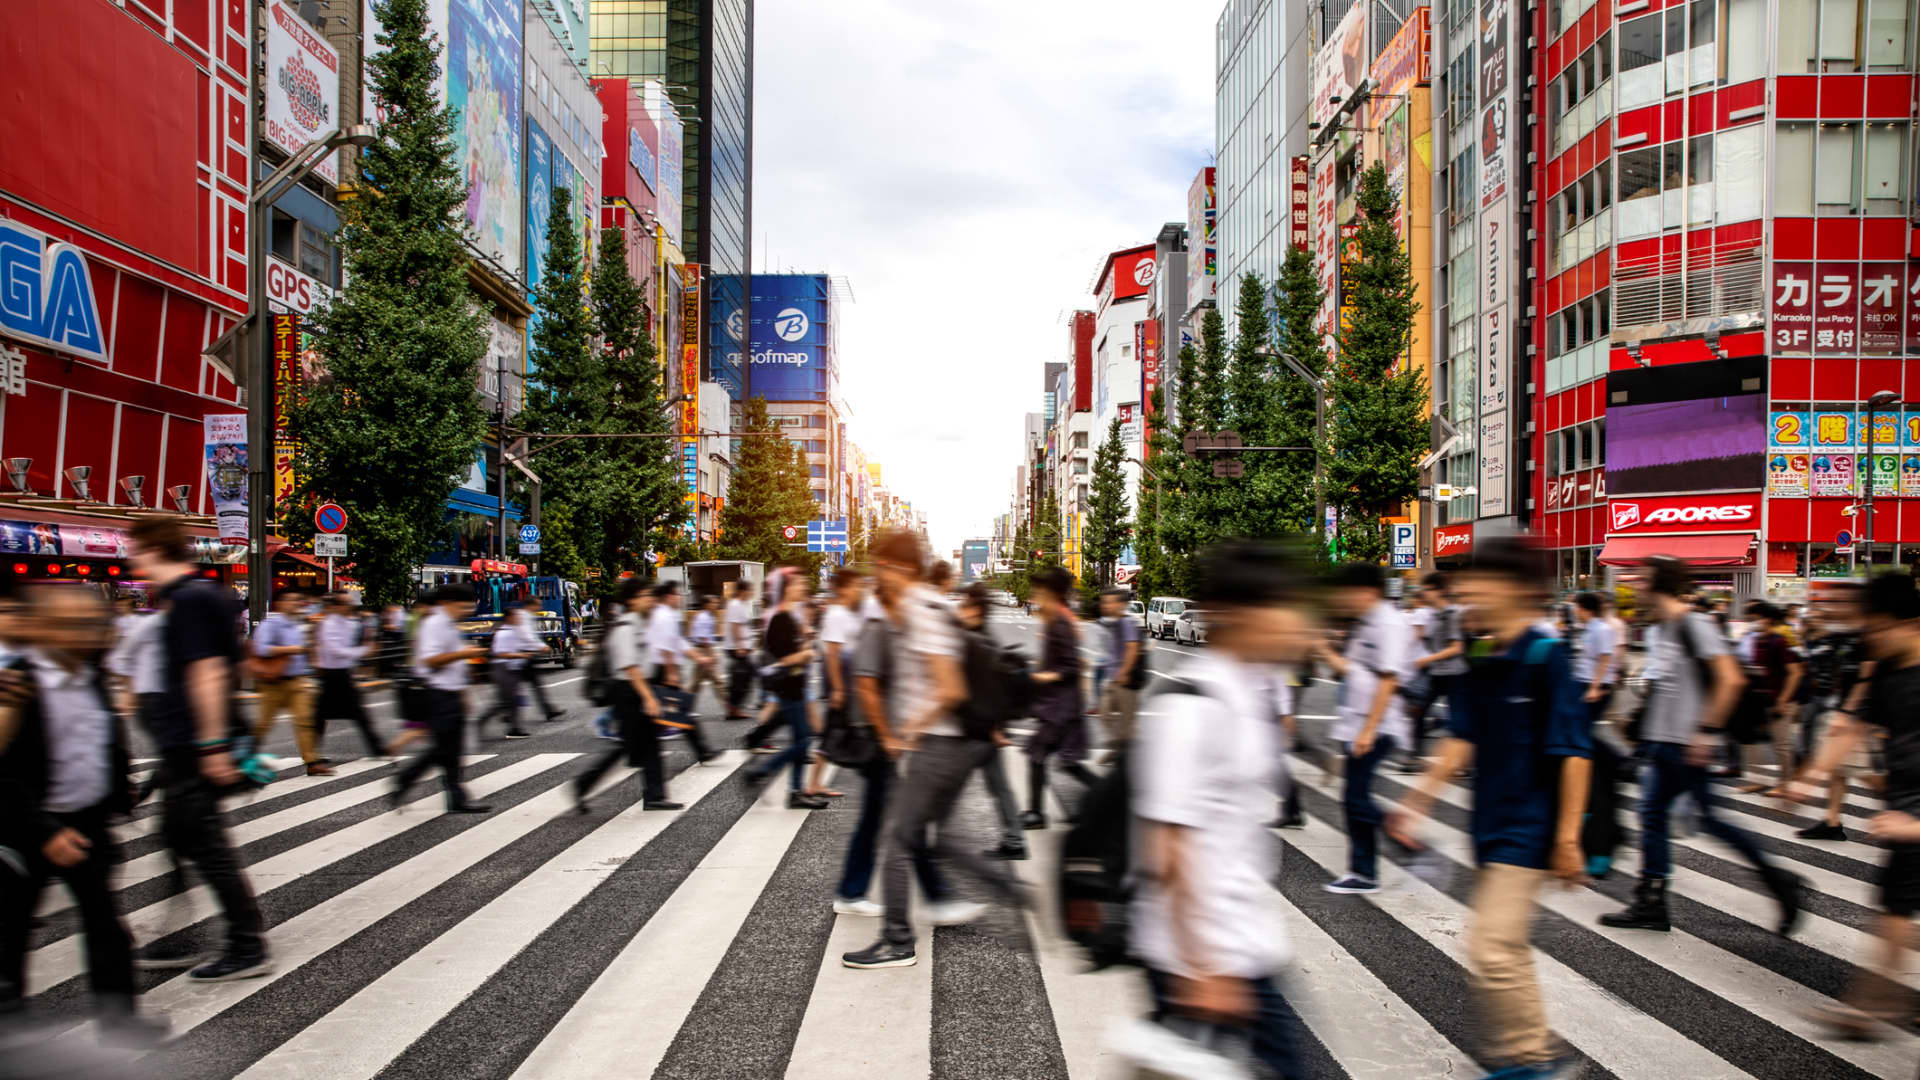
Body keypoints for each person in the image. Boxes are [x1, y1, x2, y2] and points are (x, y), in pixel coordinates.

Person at [1387, 536, 1592, 1078]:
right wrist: (1415, 801)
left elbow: (1573, 752)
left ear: (1519, 590)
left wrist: (1569, 838)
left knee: (1493, 946)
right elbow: (1463, 737)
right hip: (1489, 824)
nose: (1469, 589)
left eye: (1482, 580)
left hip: (1531, 828)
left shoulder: (1547, 655)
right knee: (1504, 946)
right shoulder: (1481, 652)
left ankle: (1532, 1061)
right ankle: (1535, 1054)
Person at [1130, 541, 1315, 1075]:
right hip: (1200, 954)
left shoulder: (1254, 687)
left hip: (1244, 939)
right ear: (1241, 614)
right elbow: (1166, 844)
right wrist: (1202, 967)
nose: (1296, 620)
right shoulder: (1193, 706)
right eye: (1284, 606)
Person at [843, 532, 1028, 970]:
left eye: (881, 565)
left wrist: (907, 729)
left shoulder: (920, 610)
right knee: (934, 838)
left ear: (900, 567)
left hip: (942, 743)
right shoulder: (931, 604)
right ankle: (1013, 892)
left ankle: (896, 940)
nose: (876, 574)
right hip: (956, 742)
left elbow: (950, 687)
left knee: (899, 839)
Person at [1598, 556, 1803, 935]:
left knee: (1708, 820)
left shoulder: (1694, 623)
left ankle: (1779, 880)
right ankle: (1652, 899)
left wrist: (1707, 732)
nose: (1636, 588)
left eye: (1643, 580)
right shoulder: (1663, 628)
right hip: (1663, 744)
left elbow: (1730, 679)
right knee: (1653, 816)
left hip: (1687, 744)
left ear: (1659, 584)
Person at [0, 582, 168, 1043]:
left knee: (105, 926)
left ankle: (119, 1021)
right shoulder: (16, 685)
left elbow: (99, 739)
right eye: (70, 624)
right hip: (25, 827)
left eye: (89, 623)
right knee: (11, 928)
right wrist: (44, 831)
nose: (85, 632)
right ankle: (9, 1023)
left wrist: (120, 791)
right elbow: (4, 773)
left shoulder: (91, 674)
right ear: (42, 629)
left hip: (86, 821)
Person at [124, 515, 271, 981]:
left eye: (135, 548)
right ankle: (193, 936)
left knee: (204, 842)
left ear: (151, 548)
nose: (131, 559)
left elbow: (205, 673)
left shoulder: (188, 600)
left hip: (192, 746)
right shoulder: (204, 595)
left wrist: (212, 746)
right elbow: (234, 663)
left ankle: (246, 945)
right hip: (184, 745)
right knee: (184, 835)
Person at [1794, 572, 1920, 1038]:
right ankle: (1872, 1009)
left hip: (1913, 816)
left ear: (1912, 622)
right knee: (1893, 909)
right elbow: (1850, 726)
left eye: (1878, 627)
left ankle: (1872, 1010)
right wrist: (1809, 777)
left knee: (1896, 907)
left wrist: (1914, 827)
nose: (1870, 637)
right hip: (1906, 804)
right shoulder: (1886, 668)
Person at [831, 565, 954, 916]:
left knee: (879, 818)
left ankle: (854, 891)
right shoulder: (879, 626)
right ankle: (937, 896)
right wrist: (888, 736)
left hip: (887, 737)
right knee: (903, 818)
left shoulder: (893, 626)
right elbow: (867, 685)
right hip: (878, 739)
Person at [1314, 562, 1413, 895]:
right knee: (1352, 797)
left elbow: (1390, 678)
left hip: (1379, 725)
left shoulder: (1389, 623)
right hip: (1357, 723)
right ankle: (1363, 869)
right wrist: (1323, 649)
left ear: (1367, 591)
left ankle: (1394, 844)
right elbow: (1353, 672)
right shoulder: (1366, 624)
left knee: (1356, 797)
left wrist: (1369, 730)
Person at [575, 578, 683, 812]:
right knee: (628, 746)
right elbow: (630, 667)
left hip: (638, 689)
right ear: (632, 600)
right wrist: (649, 697)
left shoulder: (639, 623)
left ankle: (655, 796)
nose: (650, 599)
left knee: (649, 744)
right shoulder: (625, 627)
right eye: (645, 595)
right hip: (629, 692)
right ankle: (583, 784)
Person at [392, 585, 491, 815]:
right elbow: (430, 660)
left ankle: (455, 798)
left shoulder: (446, 624)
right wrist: (466, 653)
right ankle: (406, 781)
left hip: (450, 693)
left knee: (451, 750)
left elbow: (452, 664)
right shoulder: (435, 624)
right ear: (449, 602)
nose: (468, 610)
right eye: (464, 605)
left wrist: (463, 691)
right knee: (444, 749)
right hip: (437, 694)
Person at [1788, 588, 1869, 842]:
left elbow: (1868, 674)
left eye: (1838, 602)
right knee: (1841, 768)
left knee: (1874, 773)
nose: (1832, 607)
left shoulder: (1869, 634)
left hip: (1867, 714)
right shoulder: (1842, 635)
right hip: (1846, 709)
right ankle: (1832, 821)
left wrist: (1847, 710)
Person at [742, 570, 827, 809]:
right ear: (787, 588)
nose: (803, 586)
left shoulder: (792, 616)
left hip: (795, 686)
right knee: (802, 742)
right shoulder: (780, 619)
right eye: (799, 583)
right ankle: (761, 772)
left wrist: (806, 642)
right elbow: (784, 658)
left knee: (802, 739)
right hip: (788, 688)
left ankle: (795, 792)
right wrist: (807, 653)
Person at [1023, 567, 1094, 829]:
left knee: (1038, 755)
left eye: (1040, 590)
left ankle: (1036, 813)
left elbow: (1072, 666)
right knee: (1069, 763)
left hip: (1060, 708)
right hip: (1061, 706)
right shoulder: (1057, 618)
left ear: (1051, 592)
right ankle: (1036, 812)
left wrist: (1044, 676)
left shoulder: (1061, 622)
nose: (1035, 594)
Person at [252, 588, 325, 775]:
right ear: (280, 603)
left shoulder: (298, 624)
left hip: (297, 681)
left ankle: (312, 761)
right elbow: (260, 648)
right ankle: (242, 756)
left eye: (297, 600)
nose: (296, 603)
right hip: (273, 683)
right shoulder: (271, 624)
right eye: (291, 600)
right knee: (263, 725)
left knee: (305, 721)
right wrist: (292, 649)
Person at [1400, 572, 1468, 772]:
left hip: (1455, 674)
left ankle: (1465, 763)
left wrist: (1427, 659)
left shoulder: (1452, 615)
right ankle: (1414, 756)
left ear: (1440, 591)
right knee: (1419, 711)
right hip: (1437, 673)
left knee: (1459, 719)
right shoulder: (1435, 615)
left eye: (1429, 589)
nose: (1424, 593)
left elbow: (1457, 647)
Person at [1733, 602, 1803, 796]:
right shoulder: (1756, 641)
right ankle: (1756, 780)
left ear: (1768, 619)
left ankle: (1786, 784)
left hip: (1780, 699)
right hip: (1760, 699)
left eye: (1756, 618)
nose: (1753, 622)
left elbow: (1795, 673)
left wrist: (1783, 700)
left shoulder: (1780, 641)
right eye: (1751, 619)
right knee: (1752, 740)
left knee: (1782, 744)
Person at [810, 569, 868, 798]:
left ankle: (816, 783)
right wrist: (838, 688)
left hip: (849, 681)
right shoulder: (836, 614)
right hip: (841, 682)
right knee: (832, 733)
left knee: (834, 732)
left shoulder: (848, 612)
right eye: (855, 586)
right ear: (844, 588)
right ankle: (814, 784)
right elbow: (832, 654)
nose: (859, 590)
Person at [313, 592, 385, 759]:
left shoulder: (350, 622)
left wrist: (367, 639)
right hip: (330, 675)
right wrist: (364, 651)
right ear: (337, 606)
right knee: (319, 716)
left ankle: (377, 748)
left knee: (359, 713)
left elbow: (360, 637)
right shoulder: (328, 624)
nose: (350, 606)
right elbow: (336, 650)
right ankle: (312, 754)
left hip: (344, 674)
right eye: (346, 604)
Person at [479, 604, 540, 740]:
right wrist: (521, 656)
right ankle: (484, 724)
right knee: (506, 701)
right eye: (516, 616)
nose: (519, 618)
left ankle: (514, 728)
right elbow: (501, 654)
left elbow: (525, 643)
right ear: (509, 618)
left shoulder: (513, 631)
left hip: (511, 669)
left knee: (510, 700)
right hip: (503, 669)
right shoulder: (503, 634)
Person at [1099, 587, 1144, 746]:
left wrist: (1124, 672)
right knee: (1104, 714)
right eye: (1105, 602)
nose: (1106, 606)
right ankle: (1120, 747)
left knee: (1127, 720)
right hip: (1113, 679)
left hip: (1125, 681)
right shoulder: (1114, 623)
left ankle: (1125, 752)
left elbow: (1133, 648)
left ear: (1121, 604)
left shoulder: (1127, 623)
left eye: (1110, 603)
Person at [723, 580, 757, 720]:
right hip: (736, 648)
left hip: (741, 647)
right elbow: (735, 626)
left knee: (742, 677)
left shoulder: (742, 604)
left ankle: (733, 706)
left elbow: (744, 627)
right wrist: (740, 646)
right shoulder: (735, 604)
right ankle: (733, 707)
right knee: (743, 677)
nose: (752, 593)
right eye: (750, 590)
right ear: (743, 591)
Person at [686, 593, 724, 710]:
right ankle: (731, 708)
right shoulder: (704, 617)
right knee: (701, 683)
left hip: (704, 650)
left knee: (697, 683)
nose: (716, 604)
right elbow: (703, 637)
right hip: (704, 650)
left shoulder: (707, 616)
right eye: (713, 602)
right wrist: (710, 654)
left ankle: (730, 708)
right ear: (706, 605)